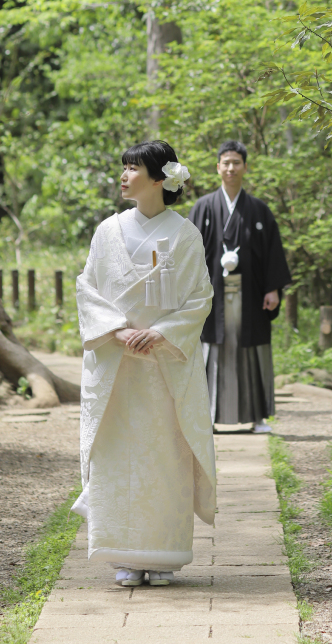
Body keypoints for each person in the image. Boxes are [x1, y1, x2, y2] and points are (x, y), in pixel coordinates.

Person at [73, 139, 216, 588]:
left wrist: (160, 333)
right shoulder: (106, 232)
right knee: (117, 457)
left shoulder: (185, 233)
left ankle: (164, 554)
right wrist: (116, 331)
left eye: (132, 168)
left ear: (159, 178)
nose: (123, 176)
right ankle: (122, 554)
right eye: (123, 167)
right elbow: (87, 290)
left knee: (164, 456)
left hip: (162, 368)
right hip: (117, 366)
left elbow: (200, 298)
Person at [189, 139, 292, 433]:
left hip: (251, 296)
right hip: (212, 296)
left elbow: (272, 253)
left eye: (236, 162)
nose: (231, 168)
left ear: (245, 167)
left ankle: (258, 417)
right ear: (217, 167)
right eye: (226, 163)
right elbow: (189, 251)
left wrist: (272, 288)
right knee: (211, 350)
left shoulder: (259, 210)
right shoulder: (203, 208)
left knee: (254, 352)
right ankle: (206, 417)